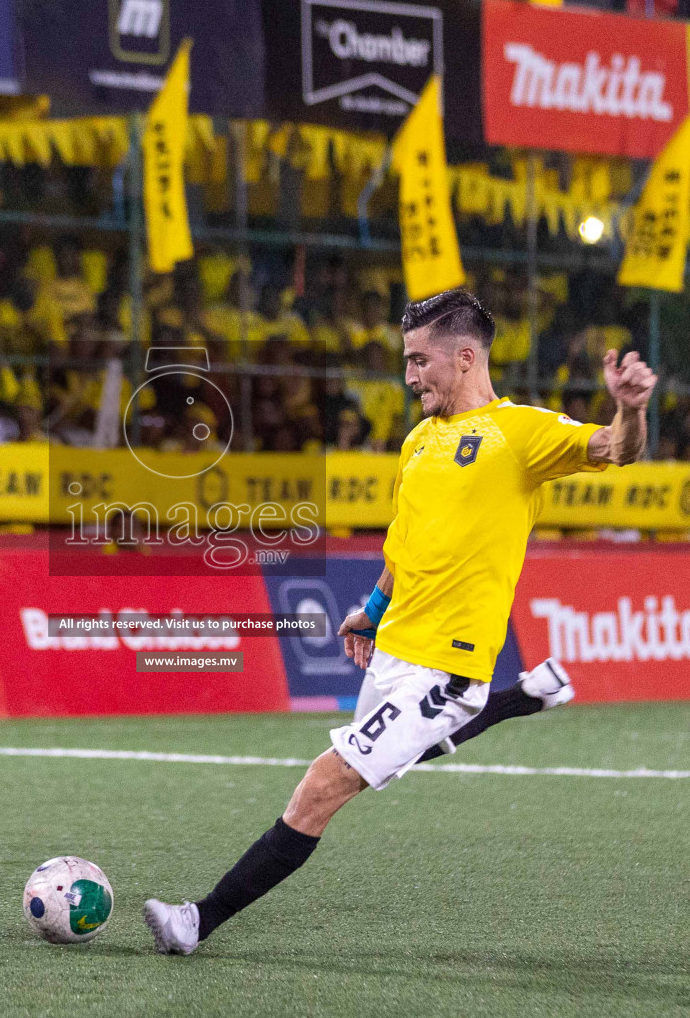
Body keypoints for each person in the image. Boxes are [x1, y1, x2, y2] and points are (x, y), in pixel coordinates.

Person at [142, 289, 658, 955]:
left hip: (447, 662)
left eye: (420, 361)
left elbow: (617, 448)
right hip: (395, 649)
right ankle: (524, 698)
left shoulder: (522, 433)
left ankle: (196, 922)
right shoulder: (418, 441)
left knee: (323, 787)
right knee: (393, 756)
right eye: (408, 361)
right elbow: (405, 545)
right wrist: (371, 612)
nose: (410, 376)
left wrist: (630, 408)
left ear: (466, 358)